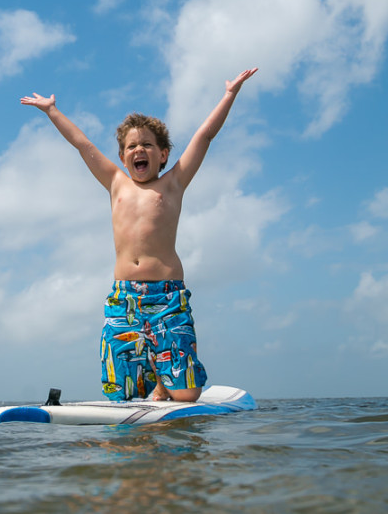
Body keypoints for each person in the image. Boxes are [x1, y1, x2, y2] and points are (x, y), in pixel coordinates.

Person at [21, 67, 257, 403]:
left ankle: (164, 383)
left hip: (167, 296)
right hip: (123, 297)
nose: (138, 150)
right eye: (131, 146)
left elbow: (204, 136)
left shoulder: (173, 184)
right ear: (122, 157)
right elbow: (81, 143)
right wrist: (52, 111)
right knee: (122, 393)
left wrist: (230, 94)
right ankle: (150, 383)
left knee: (187, 394)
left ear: (162, 154)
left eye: (147, 144)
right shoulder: (115, 182)